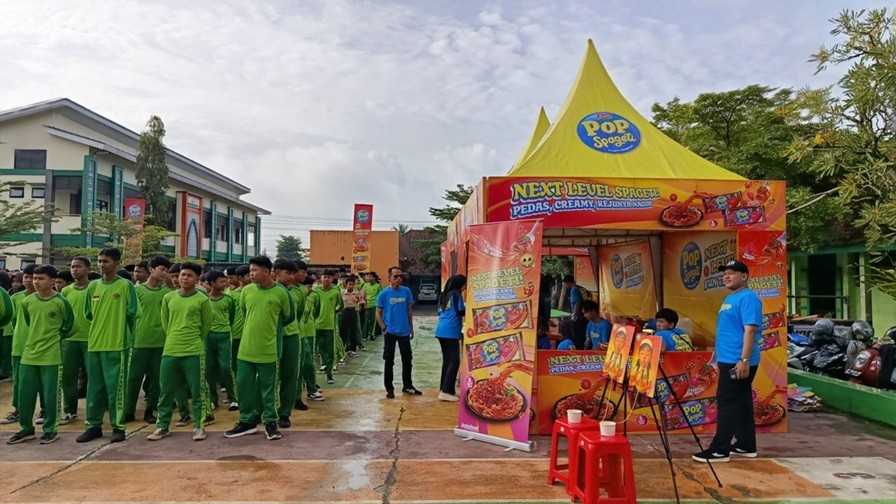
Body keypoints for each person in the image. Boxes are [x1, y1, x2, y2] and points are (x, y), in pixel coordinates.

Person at [693, 260, 762, 463]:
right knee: (741, 402)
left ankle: (719, 450)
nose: (727, 277)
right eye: (725, 274)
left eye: (732, 273)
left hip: (737, 361)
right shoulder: (730, 297)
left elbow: (750, 330)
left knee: (727, 403)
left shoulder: (749, 298)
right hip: (727, 358)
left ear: (744, 276)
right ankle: (745, 445)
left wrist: (744, 360)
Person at [225, 256, 295, 441]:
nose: (251, 274)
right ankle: (247, 421)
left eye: (254, 270)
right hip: (246, 349)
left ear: (267, 272)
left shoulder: (281, 293)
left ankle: (270, 422)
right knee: (244, 387)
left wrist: (271, 331)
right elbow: (245, 312)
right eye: (250, 271)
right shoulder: (247, 291)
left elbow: (289, 316)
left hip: (268, 350)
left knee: (268, 389)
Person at [6, 266, 77, 444]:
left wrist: (56, 337)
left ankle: (50, 429)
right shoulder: (27, 302)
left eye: (40, 278)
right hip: (29, 353)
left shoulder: (60, 302)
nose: (36, 282)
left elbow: (72, 326)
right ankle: (26, 429)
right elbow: (29, 322)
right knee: (25, 394)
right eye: (34, 278)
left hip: (51, 356)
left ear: (52, 281)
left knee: (51, 394)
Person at [77, 248, 139, 444]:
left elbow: (133, 313)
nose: (101, 265)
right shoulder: (93, 286)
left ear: (116, 263)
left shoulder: (126, 285)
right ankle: (93, 426)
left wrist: (120, 331)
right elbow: (88, 314)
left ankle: (118, 427)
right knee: (94, 388)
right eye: (99, 261)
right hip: (95, 344)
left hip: (117, 345)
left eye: (106, 261)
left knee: (116, 389)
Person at [147, 262, 212, 442]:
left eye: (189, 275)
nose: (184, 278)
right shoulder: (169, 298)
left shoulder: (202, 300)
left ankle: (199, 426)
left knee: (197, 392)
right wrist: (174, 338)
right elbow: (166, 323)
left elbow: (206, 325)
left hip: (193, 351)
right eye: (182, 274)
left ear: (197, 279)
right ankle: (162, 426)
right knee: (166, 392)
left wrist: (193, 339)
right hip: (170, 351)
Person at [124, 255, 172, 424]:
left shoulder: (167, 293)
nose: (165, 273)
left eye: (167, 270)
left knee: (156, 379)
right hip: (139, 341)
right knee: (133, 378)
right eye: (162, 269)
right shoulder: (137, 291)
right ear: (151, 270)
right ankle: (128, 411)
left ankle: (150, 410)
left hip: (161, 341)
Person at [377, 267, 420, 398]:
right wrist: (384, 328)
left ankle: (407, 386)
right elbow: (378, 312)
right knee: (389, 361)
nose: (398, 279)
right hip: (390, 332)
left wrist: (411, 328)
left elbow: (409, 310)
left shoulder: (406, 291)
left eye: (400, 276)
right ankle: (389, 389)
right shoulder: (383, 294)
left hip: (404, 332)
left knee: (407, 360)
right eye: (395, 276)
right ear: (389, 278)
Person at [1, 264, 36, 426]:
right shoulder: (16, 298)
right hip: (20, 345)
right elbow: (13, 320)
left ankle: (44, 410)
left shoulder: (50, 298)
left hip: (41, 347)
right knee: (19, 382)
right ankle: (18, 410)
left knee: (42, 382)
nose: (29, 280)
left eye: (33, 277)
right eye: (26, 277)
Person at [59, 257, 93, 425]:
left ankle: (93, 414)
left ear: (88, 269)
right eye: (72, 267)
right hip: (70, 340)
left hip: (91, 339)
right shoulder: (66, 291)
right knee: (68, 377)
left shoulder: (94, 288)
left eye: (78, 266)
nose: (74, 269)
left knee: (94, 378)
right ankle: (70, 411)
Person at [272, 258, 303, 429]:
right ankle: (266, 410)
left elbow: (298, 314)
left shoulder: (298, 292)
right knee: (268, 376)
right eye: (287, 273)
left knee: (289, 376)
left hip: (291, 337)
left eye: (293, 273)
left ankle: (284, 413)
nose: (291, 277)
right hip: (270, 338)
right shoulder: (267, 291)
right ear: (277, 273)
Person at [205, 269, 237, 413]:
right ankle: (212, 399)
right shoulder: (204, 300)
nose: (225, 284)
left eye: (225, 281)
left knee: (225, 367)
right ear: (212, 283)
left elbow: (231, 317)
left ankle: (233, 397)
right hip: (208, 336)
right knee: (209, 368)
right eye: (222, 281)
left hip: (224, 336)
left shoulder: (228, 300)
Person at [309, 269, 343, 385]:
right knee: (313, 351)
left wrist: (333, 313)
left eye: (329, 277)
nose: (326, 279)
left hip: (330, 327)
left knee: (330, 352)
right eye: (324, 277)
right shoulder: (315, 291)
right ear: (321, 278)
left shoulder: (335, 292)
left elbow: (341, 306)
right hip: (315, 326)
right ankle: (312, 379)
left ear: (332, 279)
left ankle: (329, 375)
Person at [434, 274, 466, 402]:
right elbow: (461, 311)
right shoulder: (457, 294)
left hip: (441, 329)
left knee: (447, 361)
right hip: (451, 330)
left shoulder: (443, 295)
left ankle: (446, 389)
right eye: (464, 284)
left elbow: (439, 311)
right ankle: (446, 391)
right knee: (455, 361)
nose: (465, 287)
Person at [299, 275, 323, 404]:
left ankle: (311, 388)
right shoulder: (292, 296)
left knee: (308, 363)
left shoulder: (313, 297)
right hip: (293, 335)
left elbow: (316, 312)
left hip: (308, 333)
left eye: (310, 286)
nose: (309, 289)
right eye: (308, 286)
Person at [562, 274, 589, 349]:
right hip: (586, 315)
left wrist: (574, 315)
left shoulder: (574, 290)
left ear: (567, 282)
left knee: (577, 336)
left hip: (579, 317)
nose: (566, 286)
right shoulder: (581, 288)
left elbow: (577, 303)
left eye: (565, 284)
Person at [340, 275, 364, 357]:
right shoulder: (342, 293)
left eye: (352, 284)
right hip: (344, 311)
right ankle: (342, 348)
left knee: (353, 330)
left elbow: (360, 302)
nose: (351, 286)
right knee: (343, 330)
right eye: (349, 284)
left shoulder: (356, 293)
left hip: (353, 311)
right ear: (346, 284)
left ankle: (352, 349)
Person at [0, 272, 13, 381]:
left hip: (4, 328)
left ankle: (5, 373)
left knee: (5, 352)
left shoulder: (1, 291)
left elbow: (8, 312)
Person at [362, 272, 383, 341]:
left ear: (374, 278)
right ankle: (364, 336)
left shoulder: (378, 286)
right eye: (368, 276)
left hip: (375, 305)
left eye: (370, 276)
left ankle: (372, 334)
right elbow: (362, 294)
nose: (368, 278)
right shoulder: (365, 285)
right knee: (366, 321)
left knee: (373, 320)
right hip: (367, 305)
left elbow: (381, 295)